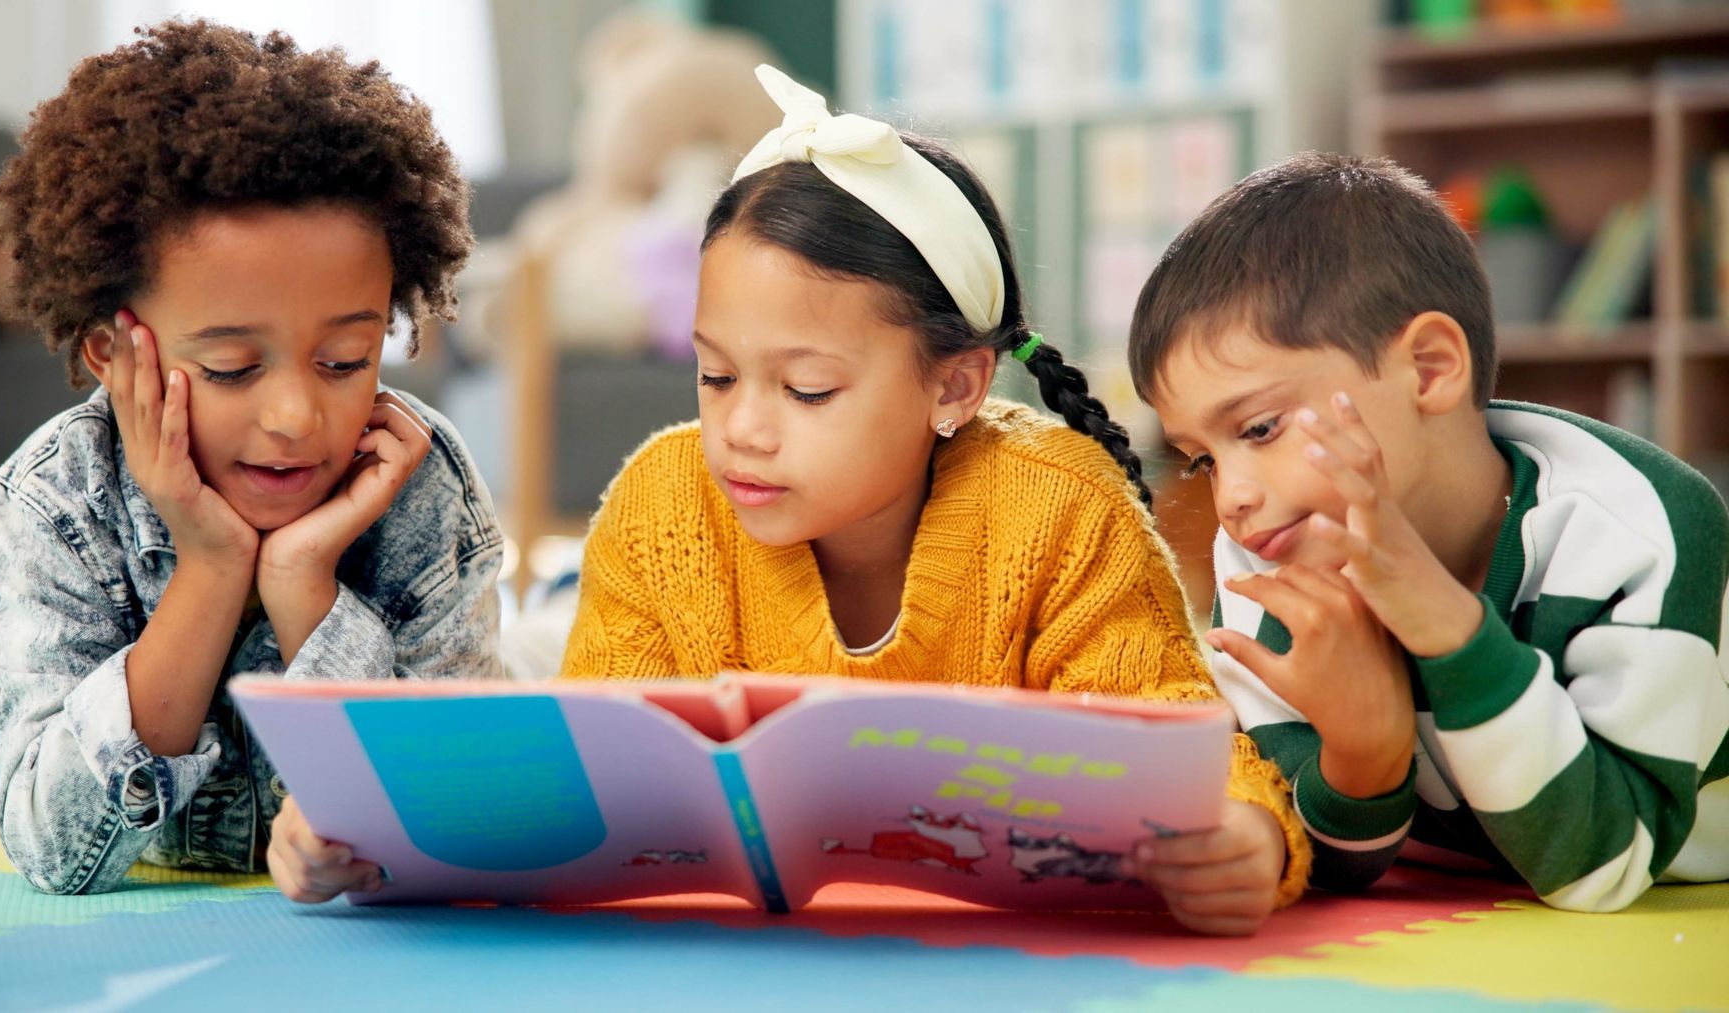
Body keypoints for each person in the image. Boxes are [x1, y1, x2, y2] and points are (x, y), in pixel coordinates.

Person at [554, 66, 1312, 936]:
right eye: (716, 374)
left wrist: (1243, 835)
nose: (742, 429)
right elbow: (593, 766)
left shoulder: (1060, 507)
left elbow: (1177, 730)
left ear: (955, 386)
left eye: (805, 389)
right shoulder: (663, 503)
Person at [1128, 151, 1729, 912]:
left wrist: (1444, 623)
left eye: (1260, 426)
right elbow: (1321, 854)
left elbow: (1605, 862)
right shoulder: (1268, 551)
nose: (1234, 499)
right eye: (1203, 460)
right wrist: (1363, 752)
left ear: (1430, 368)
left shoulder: (1638, 529)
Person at [0, 20, 502, 896]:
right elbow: (54, 848)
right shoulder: (56, 501)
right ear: (112, 353)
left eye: (346, 361)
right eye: (231, 368)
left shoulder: (413, 476)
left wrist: (304, 582)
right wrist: (212, 567)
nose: (299, 416)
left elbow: (461, 812)